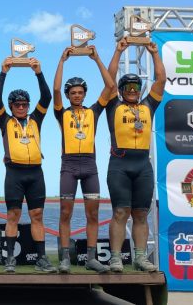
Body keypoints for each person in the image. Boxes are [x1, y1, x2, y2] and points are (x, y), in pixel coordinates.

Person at [106, 39, 166, 272]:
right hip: (119, 164)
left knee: (141, 213)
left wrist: (154, 53)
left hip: (142, 165)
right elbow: (109, 79)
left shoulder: (148, 105)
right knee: (121, 212)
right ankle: (116, 258)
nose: (132, 91)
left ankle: (140, 258)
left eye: (136, 88)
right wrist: (119, 50)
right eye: (128, 88)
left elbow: (161, 79)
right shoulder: (114, 106)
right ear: (121, 91)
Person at [53, 46, 113, 273]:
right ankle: (65, 258)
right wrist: (62, 60)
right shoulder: (62, 113)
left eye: (80, 92)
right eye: (73, 93)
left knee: (93, 214)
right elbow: (56, 89)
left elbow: (110, 87)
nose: (76, 95)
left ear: (84, 94)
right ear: (69, 95)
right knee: (65, 213)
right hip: (68, 164)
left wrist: (96, 58)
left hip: (90, 165)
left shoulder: (93, 112)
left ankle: (91, 258)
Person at [0, 57, 55, 273]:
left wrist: (38, 72)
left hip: (36, 173)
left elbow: (47, 97)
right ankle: (10, 259)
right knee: (13, 215)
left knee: (37, 215)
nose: (21, 107)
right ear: (11, 107)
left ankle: (41, 259)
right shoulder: (5, 121)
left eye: (24, 104)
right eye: (17, 104)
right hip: (14, 173)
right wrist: (3, 72)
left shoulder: (36, 119)